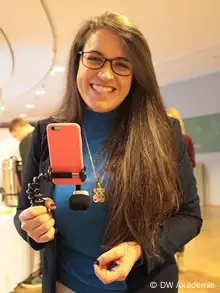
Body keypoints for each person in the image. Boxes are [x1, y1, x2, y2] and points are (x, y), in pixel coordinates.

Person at [14, 11, 202, 293]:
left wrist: (139, 249)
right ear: (78, 60)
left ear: (136, 74)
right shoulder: (44, 134)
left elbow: (189, 217)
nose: (105, 73)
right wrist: (33, 228)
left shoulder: (164, 133)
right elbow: (23, 213)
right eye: (94, 58)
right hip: (65, 286)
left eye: (122, 64)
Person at [9, 118, 42, 289]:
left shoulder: (28, 141)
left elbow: (29, 177)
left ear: (17, 130)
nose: (17, 139)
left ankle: (40, 274)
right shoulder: (43, 135)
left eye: (15, 136)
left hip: (37, 199)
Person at [166, 108, 196, 273]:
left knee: (179, 220)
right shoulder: (157, 137)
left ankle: (181, 258)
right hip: (164, 186)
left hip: (180, 185)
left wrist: (183, 173)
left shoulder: (185, 139)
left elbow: (191, 160)